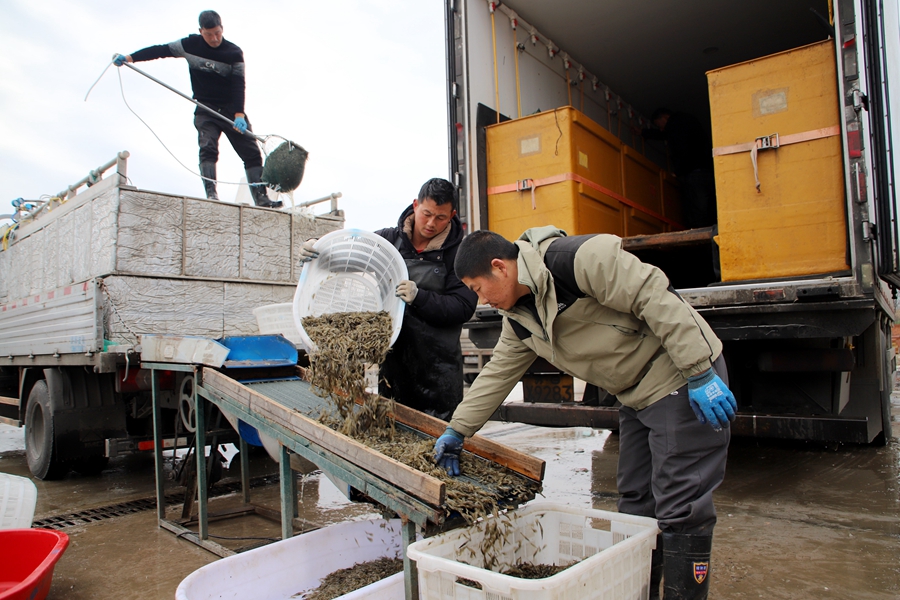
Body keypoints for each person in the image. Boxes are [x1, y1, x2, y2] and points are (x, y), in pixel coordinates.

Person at [433, 226, 736, 600]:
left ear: (500, 267)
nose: (481, 301)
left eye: (479, 289)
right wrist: (457, 430)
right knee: (635, 506)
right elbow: (497, 374)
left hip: (678, 375)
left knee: (680, 506)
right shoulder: (521, 320)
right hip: (635, 395)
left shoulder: (575, 260)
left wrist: (700, 370)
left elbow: (652, 294)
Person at [300, 178, 478, 420]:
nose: (431, 223)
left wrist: (420, 297)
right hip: (394, 366)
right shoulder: (387, 241)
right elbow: (348, 256)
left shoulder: (458, 253)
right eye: (426, 214)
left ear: (452, 215)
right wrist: (317, 248)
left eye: (441, 217)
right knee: (392, 428)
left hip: (438, 370)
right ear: (415, 205)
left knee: (437, 437)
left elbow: (463, 306)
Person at [114, 10, 282, 209]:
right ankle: (211, 194)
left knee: (251, 152)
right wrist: (129, 57)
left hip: (230, 109)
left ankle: (262, 199)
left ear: (222, 29)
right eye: (209, 34)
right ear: (200, 31)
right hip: (205, 108)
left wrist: (239, 114)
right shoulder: (188, 45)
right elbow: (159, 50)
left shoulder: (234, 53)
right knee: (208, 147)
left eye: (217, 33)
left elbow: (239, 84)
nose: (214, 38)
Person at [642, 108, 716, 228]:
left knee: (697, 207)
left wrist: (679, 171)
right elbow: (665, 135)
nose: (661, 128)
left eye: (658, 124)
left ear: (664, 117)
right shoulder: (685, 121)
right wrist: (643, 132)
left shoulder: (676, 124)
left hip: (694, 172)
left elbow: (683, 148)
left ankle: (701, 236)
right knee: (708, 204)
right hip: (706, 170)